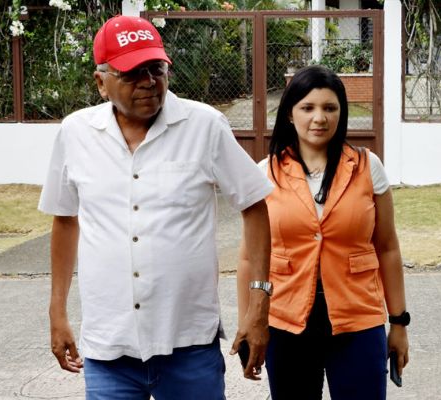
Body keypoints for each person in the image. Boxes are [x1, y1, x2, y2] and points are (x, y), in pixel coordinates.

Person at [38, 15, 273, 399]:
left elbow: (254, 204)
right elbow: (65, 220)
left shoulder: (204, 126)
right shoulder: (75, 133)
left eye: (157, 68)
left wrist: (258, 302)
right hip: (109, 349)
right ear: (101, 83)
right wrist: (57, 310)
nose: (149, 81)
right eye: (132, 73)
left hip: (189, 345)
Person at [237, 65, 409, 400]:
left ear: (342, 114)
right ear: (290, 114)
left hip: (357, 319)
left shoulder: (366, 166)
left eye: (330, 108)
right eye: (308, 108)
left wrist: (399, 323)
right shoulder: (265, 173)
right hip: (286, 322)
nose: (319, 118)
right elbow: (248, 257)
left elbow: (388, 248)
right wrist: (248, 324)